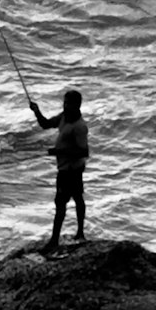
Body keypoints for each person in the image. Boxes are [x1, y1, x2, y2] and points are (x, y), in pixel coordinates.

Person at [29, 88, 89, 254]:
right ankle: (77, 234)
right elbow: (46, 124)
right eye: (65, 102)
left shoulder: (79, 127)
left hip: (72, 169)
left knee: (65, 201)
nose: (65, 106)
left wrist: (58, 152)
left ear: (77, 106)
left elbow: (84, 152)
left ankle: (59, 239)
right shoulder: (63, 117)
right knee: (74, 199)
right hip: (65, 168)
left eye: (69, 103)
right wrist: (36, 111)